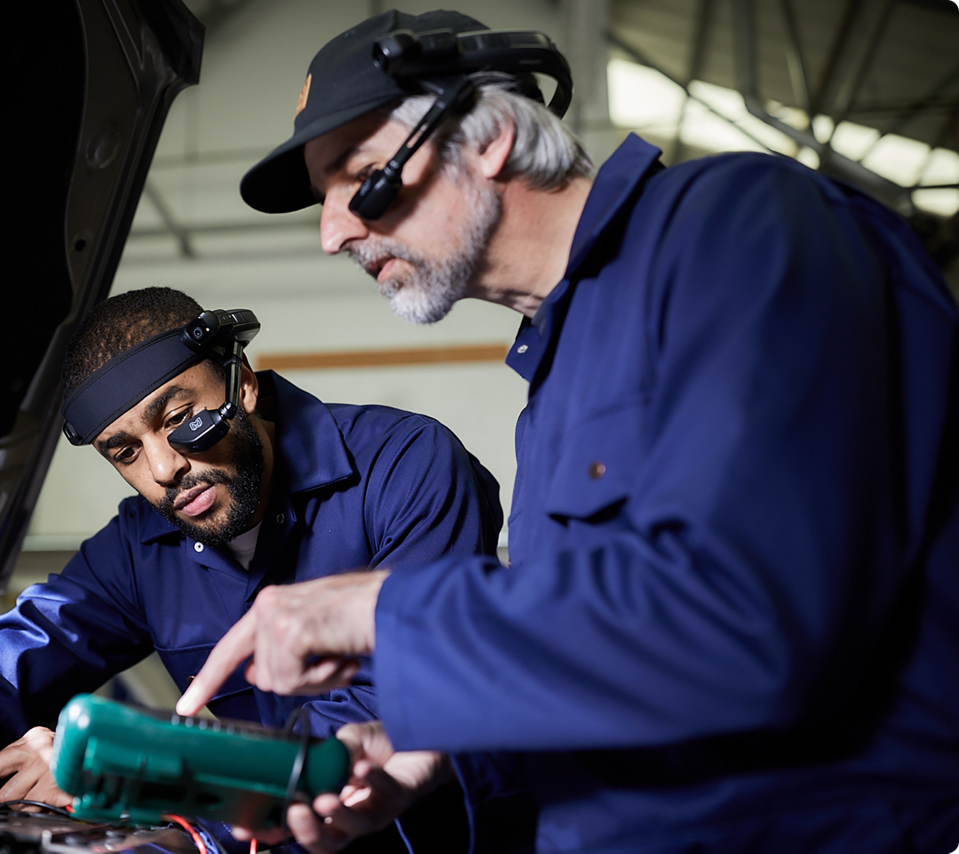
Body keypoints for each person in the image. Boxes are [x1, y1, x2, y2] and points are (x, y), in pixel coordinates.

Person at [177, 9, 959, 854]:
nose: (332, 233)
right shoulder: (551, 385)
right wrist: (425, 746)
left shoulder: (739, 226)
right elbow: (622, 655)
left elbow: (748, 618)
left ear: (491, 138)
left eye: (359, 178)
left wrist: (384, 610)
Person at [0, 286, 501, 852]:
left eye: (179, 416)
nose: (165, 468)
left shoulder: (405, 468)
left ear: (243, 385)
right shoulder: (138, 547)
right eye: (124, 452)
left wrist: (142, 772)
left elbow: (396, 703)